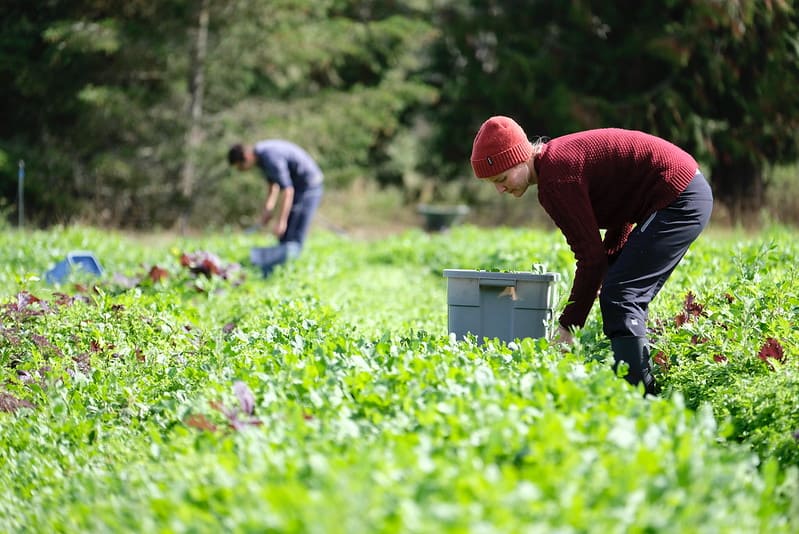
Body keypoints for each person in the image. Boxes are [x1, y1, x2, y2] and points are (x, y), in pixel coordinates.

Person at [470, 116, 713, 395]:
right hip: (682, 190)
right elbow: (620, 211)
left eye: (502, 178)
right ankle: (640, 391)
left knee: (622, 296)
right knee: (619, 291)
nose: (500, 189)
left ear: (522, 156)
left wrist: (568, 326)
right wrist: (609, 268)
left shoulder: (556, 179)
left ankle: (642, 400)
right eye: (493, 183)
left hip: (678, 196)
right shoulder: (557, 163)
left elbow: (590, 258)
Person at [228, 139, 324, 275]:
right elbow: (273, 186)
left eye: (240, 167)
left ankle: (289, 273)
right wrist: (267, 211)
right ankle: (276, 269)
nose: (242, 170)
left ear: (247, 158)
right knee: (284, 236)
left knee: (293, 232)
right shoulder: (260, 158)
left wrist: (281, 222)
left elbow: (288, 190)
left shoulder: (269, 157)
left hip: (309, 186)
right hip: (298, 186)